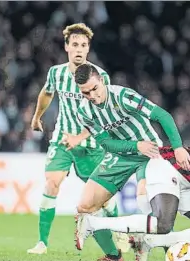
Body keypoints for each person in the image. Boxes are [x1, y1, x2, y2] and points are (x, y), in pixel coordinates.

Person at [27, 23, 125, 261]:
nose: (79, 49)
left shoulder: (100, 76)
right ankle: (42, 242)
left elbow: (105, 113)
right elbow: (47, 93)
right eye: (75, 45)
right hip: (62, 139)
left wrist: (81, 136)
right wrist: (37, 116)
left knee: (105, 199)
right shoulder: (56, 73)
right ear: (66, 47)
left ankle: (120, 232)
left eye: (83, 45)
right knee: (52, 183)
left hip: (91, 145)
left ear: (88, 49)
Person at [60, 63, 190, 232]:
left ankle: (169, 249)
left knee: (145, 201)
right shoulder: (84, 113)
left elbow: (162, 115)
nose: (92, 95)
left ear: (101, 80)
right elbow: (107, 144)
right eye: (86, 92)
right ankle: (114, 256)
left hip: (150, 152)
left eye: (95, 88)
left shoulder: (124, 96)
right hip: (122, 154)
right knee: (84, 207)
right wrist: (136, 146)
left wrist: (178, 147)